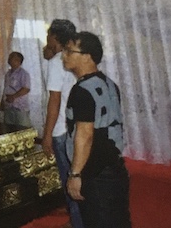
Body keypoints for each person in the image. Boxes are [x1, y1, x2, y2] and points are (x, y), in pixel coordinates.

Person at [63, 31, 131, 227]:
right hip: (114, 167)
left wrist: (75, 174)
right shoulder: (109, 83)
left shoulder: (82, 90)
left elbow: (85, 136)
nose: (64, 55)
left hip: (95, 173)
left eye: (69, 51)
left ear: (87, 56)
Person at [41, 19, 83, 228]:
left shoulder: (57, 61)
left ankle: (77, 223)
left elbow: (54, 101)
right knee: (79, 176)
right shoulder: (75, 57)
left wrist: (47, 134)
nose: (46, 40)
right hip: (78, 127)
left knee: (69, 178)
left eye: (48, 36)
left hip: (61, 130)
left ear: (55, 38)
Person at [1, 51, 31, 127]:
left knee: (22, 130)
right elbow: (5, 88)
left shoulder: (23, 74)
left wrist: (13, 97)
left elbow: (26, 88)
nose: (9, 59)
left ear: (18, 61)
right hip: (8, 106)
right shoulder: (8, 74)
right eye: (10, 57)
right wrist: (2, 101)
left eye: (12, 58)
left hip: (19, 107)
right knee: (9, 129)